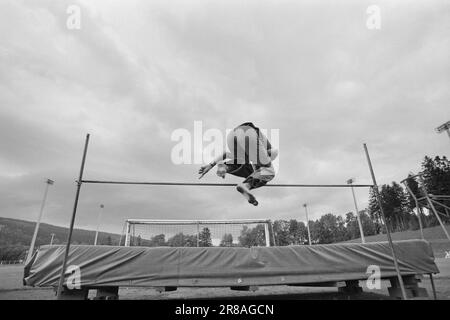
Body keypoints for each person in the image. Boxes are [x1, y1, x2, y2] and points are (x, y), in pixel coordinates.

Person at [198, 122, 278, 206]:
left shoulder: (251, 154)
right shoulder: (266, 151)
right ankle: (245, 186)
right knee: (269, 171)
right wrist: (265, 160)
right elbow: (274, 152)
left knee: (244, 163)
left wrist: (210, 165)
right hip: (249, 133)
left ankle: (226, 167)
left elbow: (225, 154)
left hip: (232, 136)